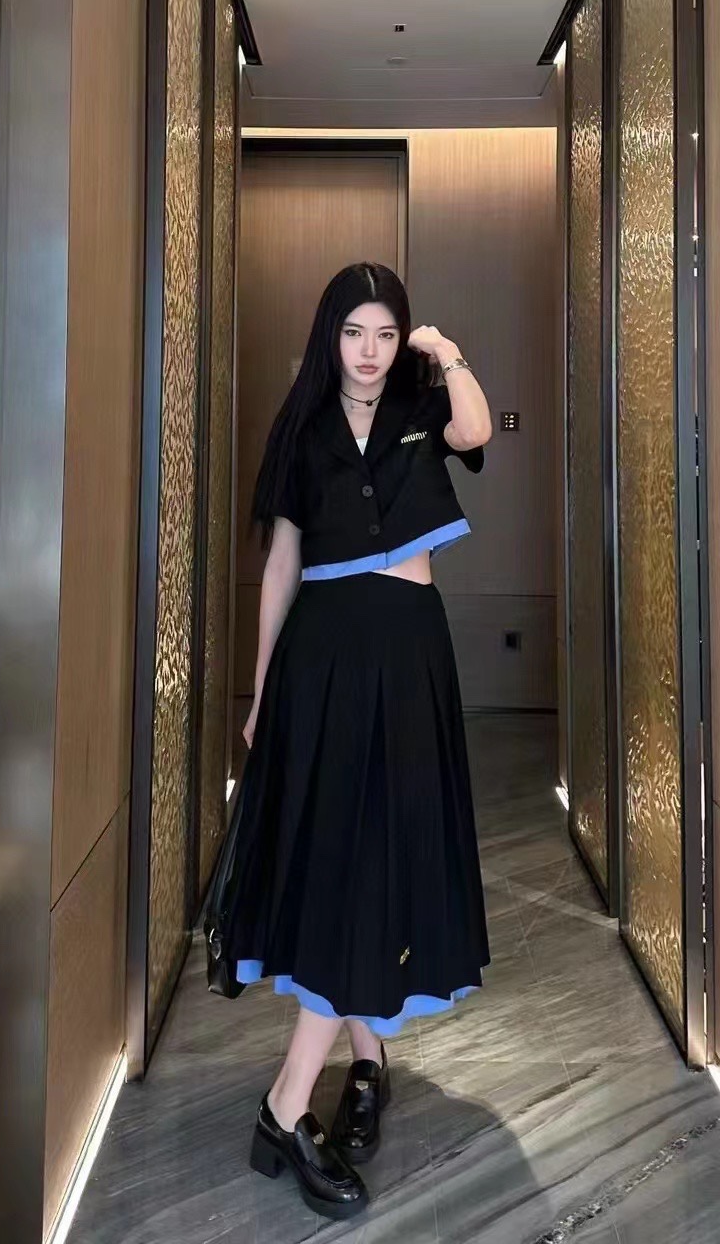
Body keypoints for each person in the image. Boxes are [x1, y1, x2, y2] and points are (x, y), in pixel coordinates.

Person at [224, 261, 492, 1219]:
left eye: (385, 332)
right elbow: (281, 567)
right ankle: (289, 1102)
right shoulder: (301, 427)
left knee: (383, 848)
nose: (369, 351)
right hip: (325, 658)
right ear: (328, 336)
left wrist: (445, 351)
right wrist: (262, 690)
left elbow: (475, 432)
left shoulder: (425, 398)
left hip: (410, 653)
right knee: (346, 857)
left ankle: (362, 1060)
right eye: (353, 333)